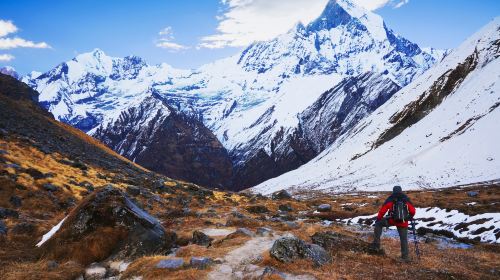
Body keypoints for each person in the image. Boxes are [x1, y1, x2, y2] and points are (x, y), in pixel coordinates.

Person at [370, 185, 416, 262]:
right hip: (403, 222)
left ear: (393, 191)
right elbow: (413, 211)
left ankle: (376, 245)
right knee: (403, 239)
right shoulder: (405, 199)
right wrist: (409, 217)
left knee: (378, 224)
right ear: (401, 190)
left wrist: (378, 219)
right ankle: (405, 257)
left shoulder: (390, 198)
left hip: (392, 220)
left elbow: (382, 211)